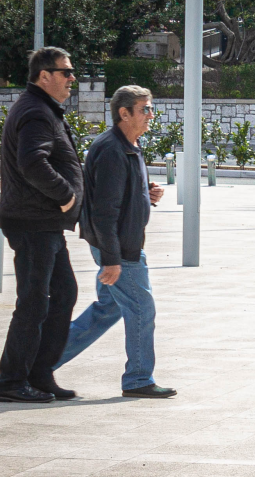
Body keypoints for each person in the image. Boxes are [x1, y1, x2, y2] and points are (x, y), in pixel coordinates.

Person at [54, 85, 172, 399]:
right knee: (142, 309)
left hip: (121, 244)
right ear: (124, 113)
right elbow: (104, 211)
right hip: (120, 247)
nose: (150, 115)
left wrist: (148, 193)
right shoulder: (111, 149)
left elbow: (120, 194)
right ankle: (138, 379)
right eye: (145, 109)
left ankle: (39, 363)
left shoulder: (129, 145)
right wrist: (111, 258)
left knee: (107, 310)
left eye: (150, 108)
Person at [0, 47, 83, 403]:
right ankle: (10, 380)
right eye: (66, 72)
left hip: (42, 222)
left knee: (63, 293)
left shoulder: (41, 108)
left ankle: (38, 372)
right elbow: (33, 162)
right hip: (33, 221)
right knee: (34, 302)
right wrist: (66, 196)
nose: (72, 78)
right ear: (44, 75)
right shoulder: (36, 111)